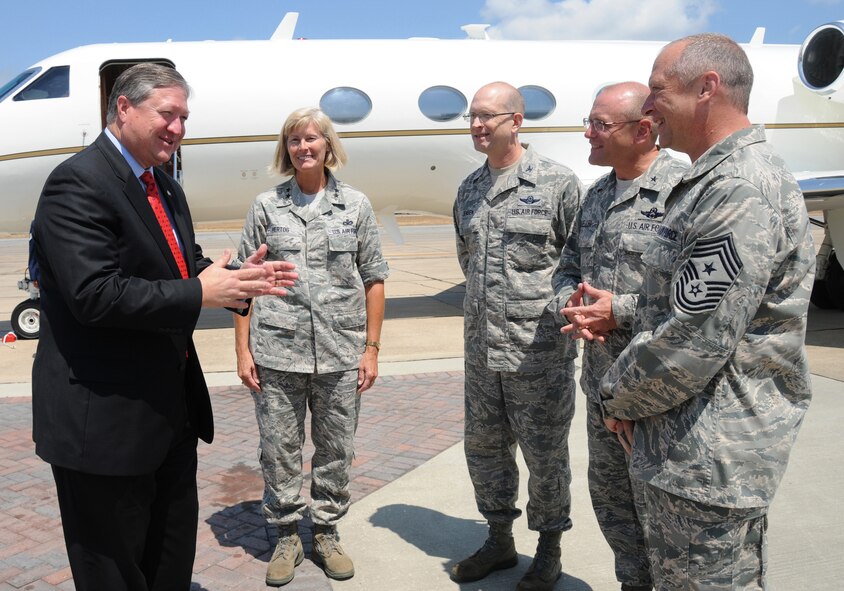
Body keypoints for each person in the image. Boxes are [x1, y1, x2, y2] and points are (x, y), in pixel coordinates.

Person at [31, 63, 297, 591]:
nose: (177, 128)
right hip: (103, 423)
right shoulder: (77, 182)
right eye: (166, 114)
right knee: (114, 572)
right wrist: (202, 292)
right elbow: (95, 294)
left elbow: (176, 261)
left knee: (169, 561)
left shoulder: (164, 185)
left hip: (168, 414)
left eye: (183, 117)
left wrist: (233, 280)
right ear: (124, 107)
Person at [564, 35, 815, 590]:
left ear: (707, 89)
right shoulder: (709, 183)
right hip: (683, 446)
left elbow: (691, 341)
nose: (649, 109)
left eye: (658, 91)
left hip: (708, 460)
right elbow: (684, 304)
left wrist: (616, 397)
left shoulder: (738, 189)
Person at [235, 107, 388, 586]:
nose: (304, 147)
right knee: (280, 449)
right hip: (277, 352)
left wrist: (372, 349)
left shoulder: (356, 206)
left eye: (312, 139)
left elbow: (374, 278)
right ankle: (285, 535)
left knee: (336, 449)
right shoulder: (266, 207)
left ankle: (324, 530)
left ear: (328, 146)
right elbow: (244, 283)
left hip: (341, 353)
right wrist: (242, 351)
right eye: (295, 140)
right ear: (287, 149)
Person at [550, 82, 687, 591]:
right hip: (604, 391)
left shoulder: (686, 191)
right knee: (614, 507)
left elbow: (704, 299)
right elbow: (567, 268)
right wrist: (574, 306)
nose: (588, 133)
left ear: (644, 130)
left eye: (600, 124)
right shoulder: (597, 196)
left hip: (662, 397)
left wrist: (620, 311)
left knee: (668, 522)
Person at [450, 81, 582, 591]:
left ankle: (549, 547)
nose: (478, 125)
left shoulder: (556, 182)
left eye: (489, 116)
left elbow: (575, 263)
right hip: (482, 350)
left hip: (538, 352)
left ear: (517, 121)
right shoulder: (468, 189)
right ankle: (499, 538)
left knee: (545, 454)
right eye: (473, 117)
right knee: (484, 448)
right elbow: (467, 259)